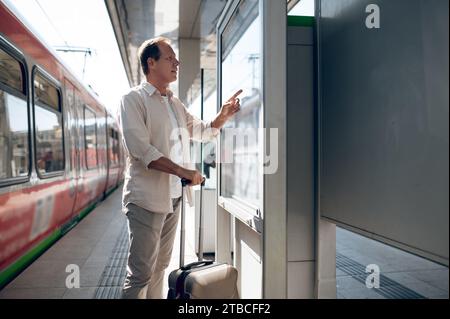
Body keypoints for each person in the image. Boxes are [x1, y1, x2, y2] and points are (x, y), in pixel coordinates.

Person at [119, 37, 242, 299]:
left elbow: (200, 129)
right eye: (170, 58)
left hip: (173, 198)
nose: (177, 62)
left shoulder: (174, 103)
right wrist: (185, 172)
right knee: (140, 273)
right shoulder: (133, 99)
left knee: (161, 268)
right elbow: (142, 152)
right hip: (145, 201)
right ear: (150, 63)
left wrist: (222, 116)